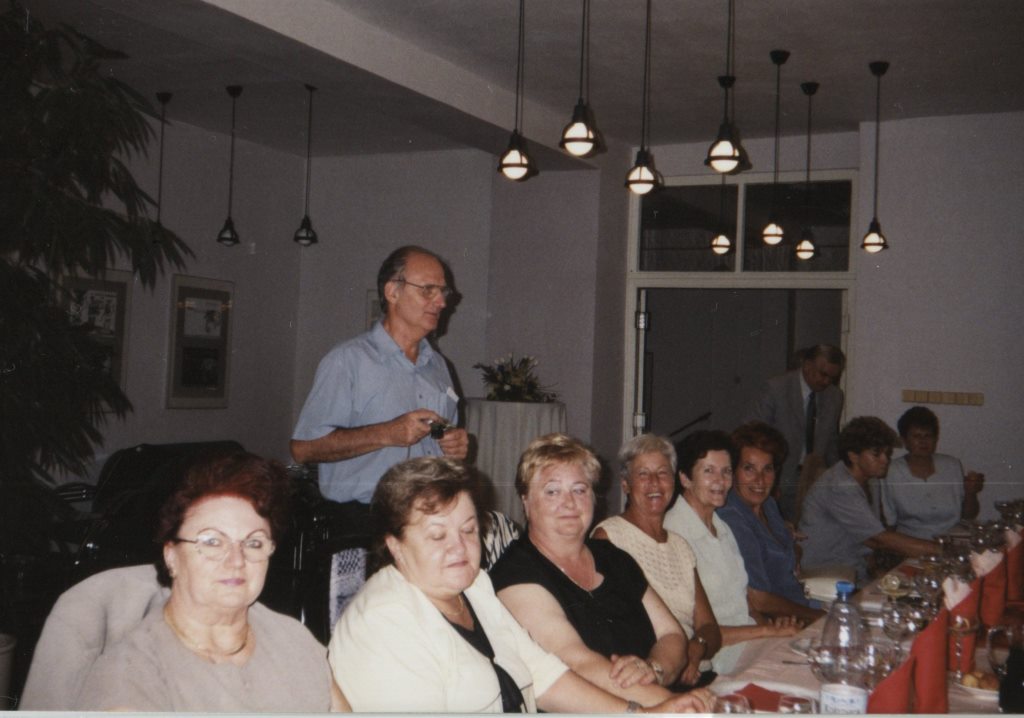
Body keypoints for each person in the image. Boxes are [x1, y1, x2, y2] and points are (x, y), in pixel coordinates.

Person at [329, 456, 715, 714]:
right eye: (437, 535)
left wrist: (644, 713)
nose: (459, 548)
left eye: (468, 530)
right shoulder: (385, 623)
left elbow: (543, 675)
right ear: (394, 545)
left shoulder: (475, 587)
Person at [78, 452, 348, 712]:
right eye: (212, 541)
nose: (236, 560)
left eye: (254, 542)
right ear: (171, 555)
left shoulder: (292, 639)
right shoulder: (132, 678)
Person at [290, 245, 470, 619]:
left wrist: (454, 444)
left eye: (443, 292)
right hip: (361, 526)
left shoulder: (439, 366)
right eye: (428, 290)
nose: (440, 302)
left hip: (424, 524)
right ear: (392, 291)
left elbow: (441, 435)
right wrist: (387, 433)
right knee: (365, 633)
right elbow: (303, 448)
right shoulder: (348, 361)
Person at [491, 434, 692, 706]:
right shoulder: (514, 572)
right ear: (525, 501)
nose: (569, 502)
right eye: (552, 491)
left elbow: (672, 634)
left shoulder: (612, 557)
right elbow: (576, 663)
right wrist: (675, 707)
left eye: (579, 490)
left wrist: (653, 669)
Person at [662, 430, 801, 674]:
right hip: (719, 661)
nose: (720, 481)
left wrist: (773, 628)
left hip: (750, 646)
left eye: (726, 471)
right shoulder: (674, 534)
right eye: (709, 471)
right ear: (685, 478)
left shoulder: (721, 525)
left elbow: (744, 602)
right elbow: (691, 633)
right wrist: (767, 631)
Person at [591, 434, 723, 687]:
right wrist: (675, 660)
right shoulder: (609, 537)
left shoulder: (680, 546)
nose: (654, 482)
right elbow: (614, 631)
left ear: (673, 481)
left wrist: (695, 649)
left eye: (663, 473)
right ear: (626, 485)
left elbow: (710, 628)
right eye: (643, 474)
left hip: (698, 674)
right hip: (650, 678)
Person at [799, 417, 942, 584]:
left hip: (853, 569)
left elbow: (869, 539)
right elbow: (877, 540)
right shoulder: (841, 486)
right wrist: (942, 550)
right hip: (825, 575)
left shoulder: (871, 479)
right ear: (853, 456)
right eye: (876, 454)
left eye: (887, 453)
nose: (885, 460)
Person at [717, 422, 825, 624]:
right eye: (749, 469)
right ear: (733, 471)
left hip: (801, 605)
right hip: (777, 622)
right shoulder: (732, 518)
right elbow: (759, 600)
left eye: (767, 469)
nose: (760, 480)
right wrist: (820, 618)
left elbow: (780, 553)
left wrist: (794, 551)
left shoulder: (768, 505)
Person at [747, 344, 846, 522]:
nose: (826, 382)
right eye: (823, 374)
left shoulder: (835, 396)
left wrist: (839, 478)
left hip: (813, 478)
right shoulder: (776, 388)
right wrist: (768, 479)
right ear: (807, 365)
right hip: (778, 476)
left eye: (832, 378)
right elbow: (753, 436)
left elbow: (831, 441)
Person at [877, 406, 984, 539]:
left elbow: (969, 516)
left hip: (952, 540)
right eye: (916, 436)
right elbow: (889, 521)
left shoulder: (952, 465)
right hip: (911, 543)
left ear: (935, 439)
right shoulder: (891, 470)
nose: (923, 441)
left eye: (928, 435)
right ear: (904, 440)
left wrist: (971, 492)